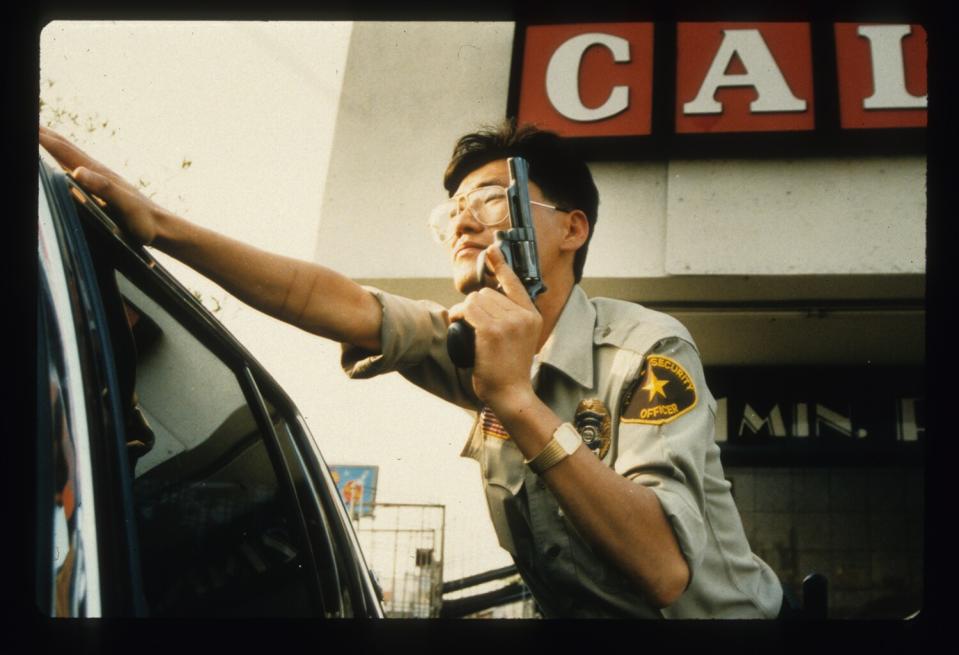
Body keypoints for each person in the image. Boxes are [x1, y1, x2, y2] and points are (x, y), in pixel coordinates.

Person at [39, 121, 784, 618]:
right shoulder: (470, 338)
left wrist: (516, 402)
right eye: (451, 209)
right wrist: (159, 223)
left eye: (491, 199)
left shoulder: (647, 351)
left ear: (571, 227)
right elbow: (323, 296)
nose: (460, 219)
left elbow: (664, 570)